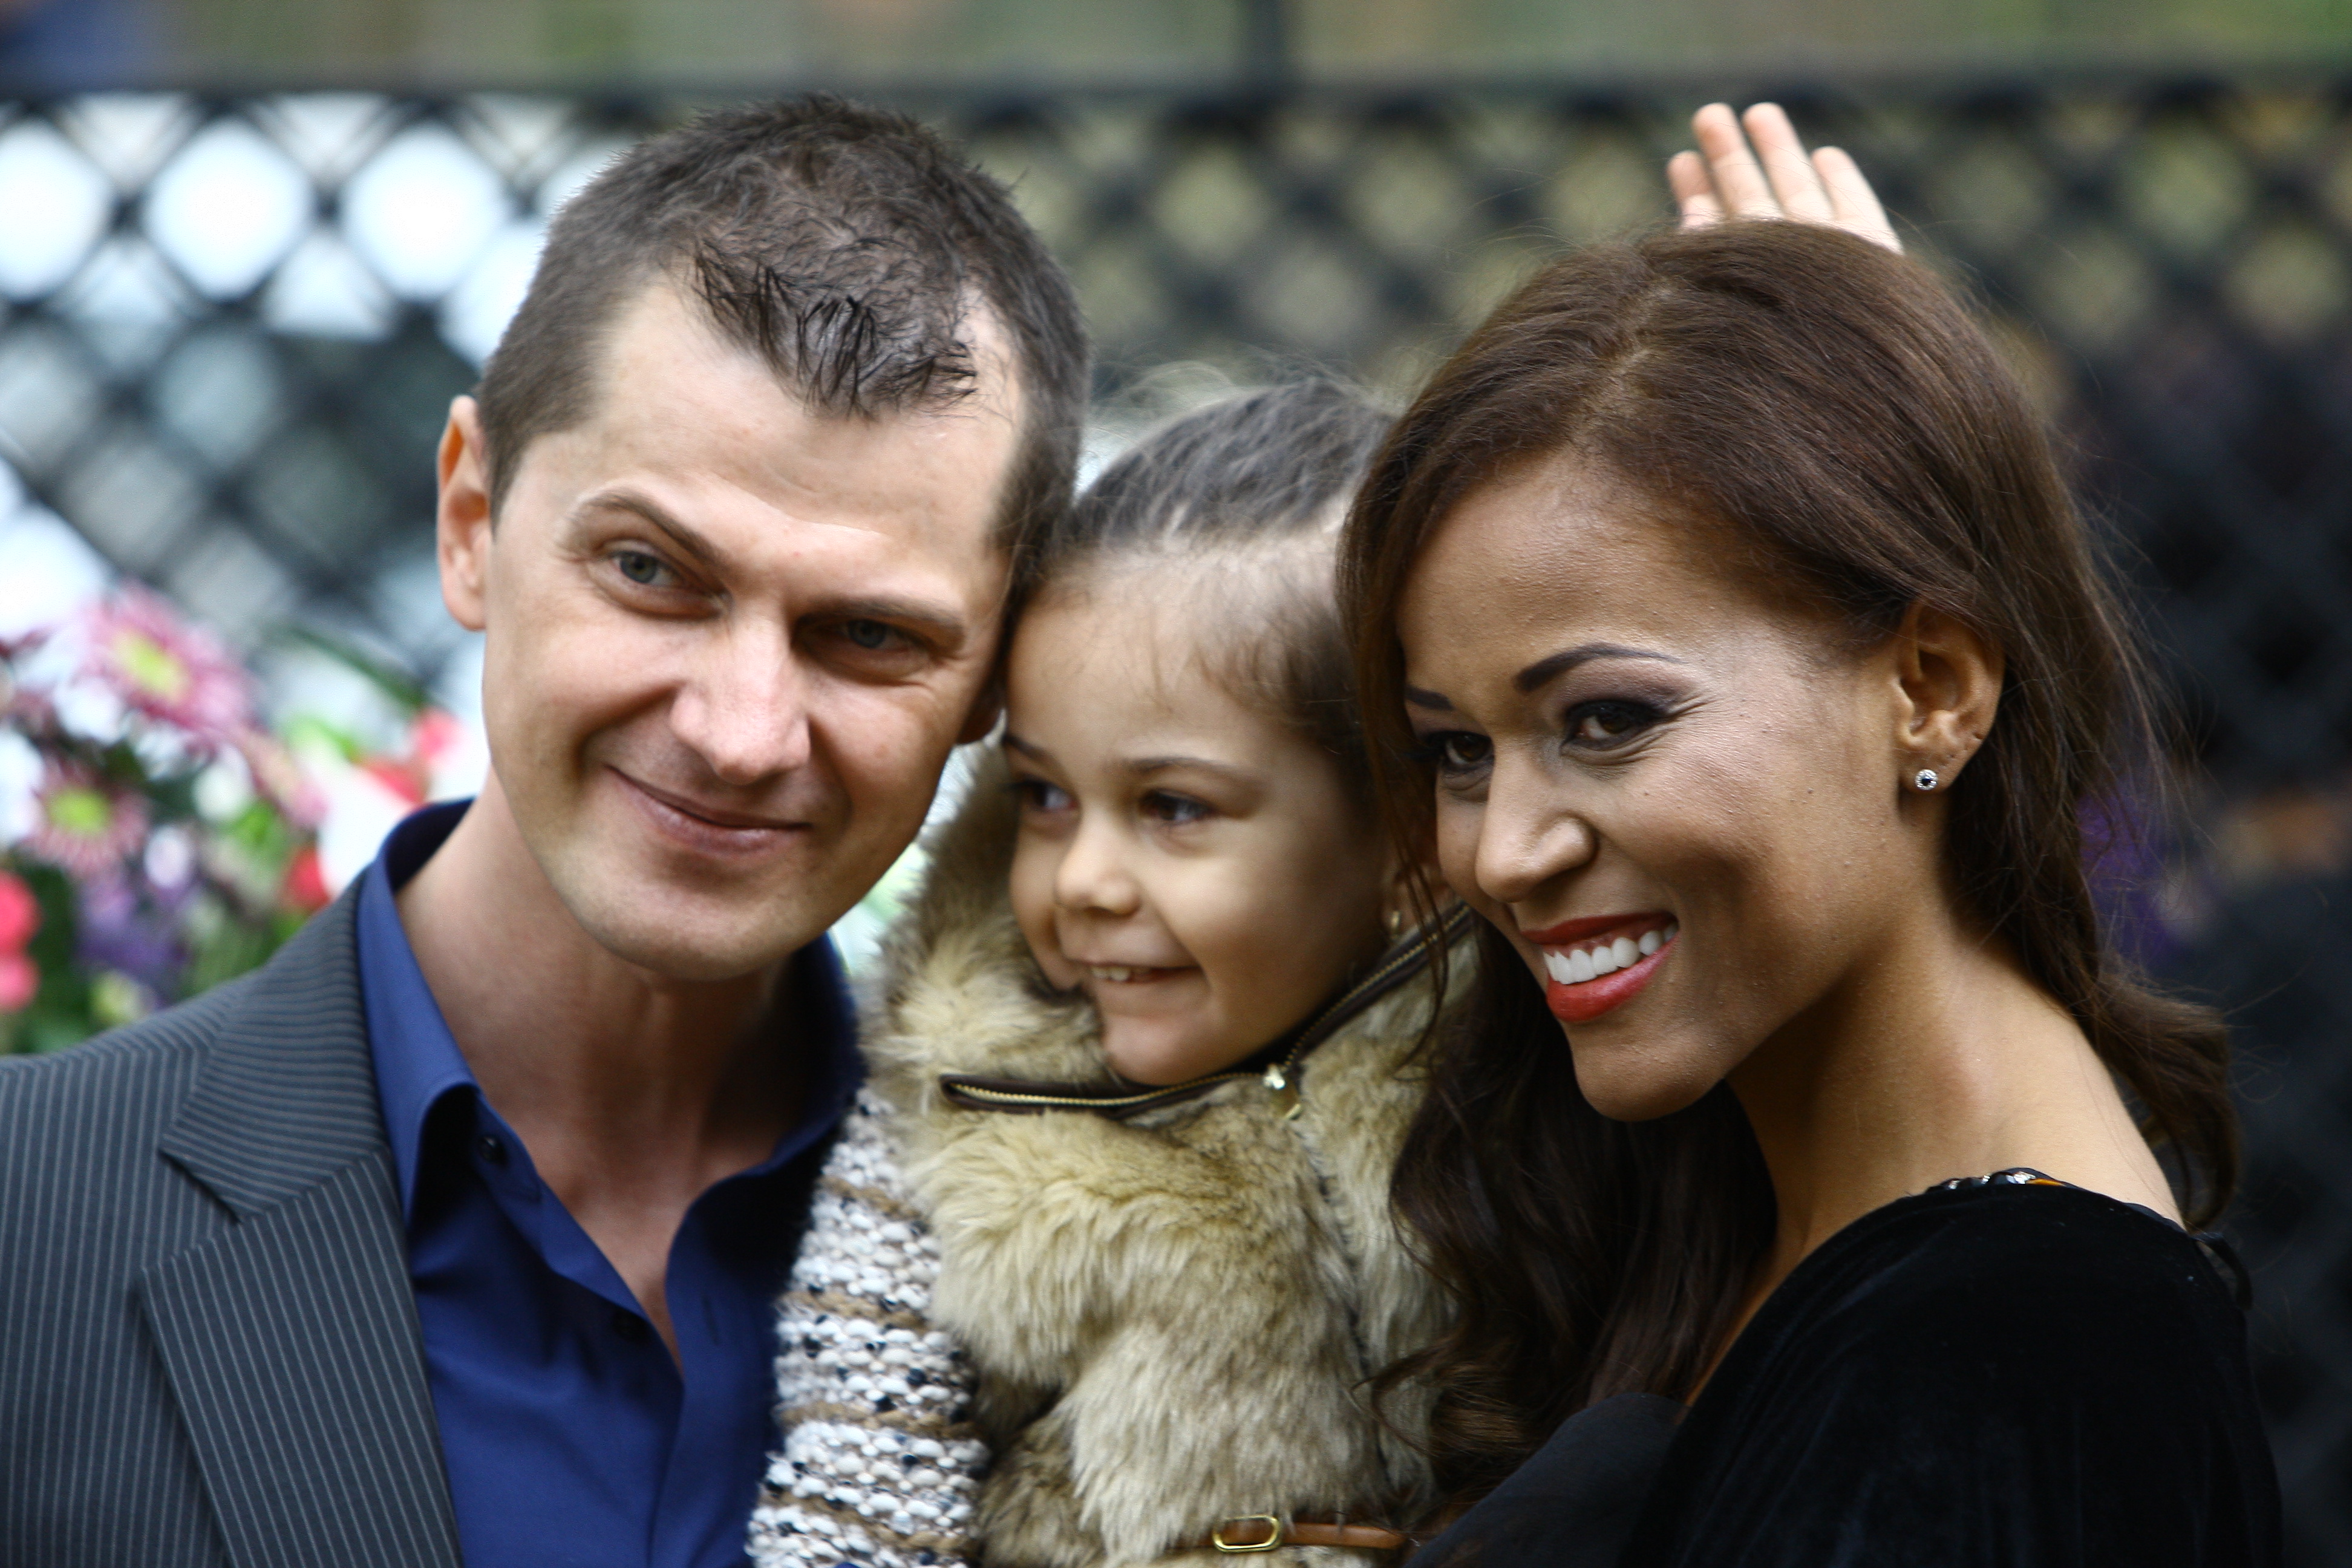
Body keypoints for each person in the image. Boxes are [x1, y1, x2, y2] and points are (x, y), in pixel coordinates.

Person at [0, 95, 1086, 1568]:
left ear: (994, 681)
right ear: (471, 517)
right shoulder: (30, 1222)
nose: (740, 730)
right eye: (651, 571)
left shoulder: (1105, 1278)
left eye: (869, 635)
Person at [1338, 218, 2282, 1564]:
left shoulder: (2018, 1342)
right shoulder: (1747, 1222)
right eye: (1457, 751)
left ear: (1932, 689)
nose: (1501, 854)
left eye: (1607, 720)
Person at [757, 382, 1470, 1568]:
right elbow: (855, 1501)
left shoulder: (1521, 1083)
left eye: (1173, 807)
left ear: (1405, 836)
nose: (1083, 880)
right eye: (1043, 795)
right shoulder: (945, 1116)